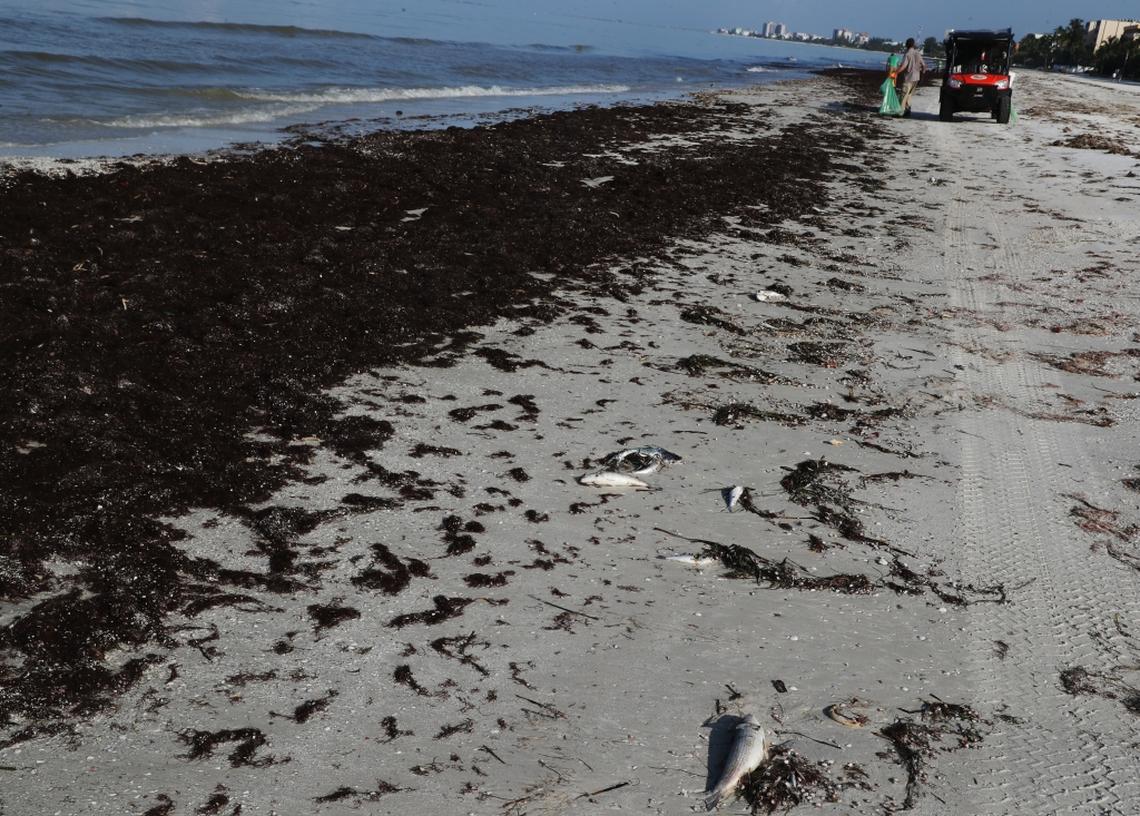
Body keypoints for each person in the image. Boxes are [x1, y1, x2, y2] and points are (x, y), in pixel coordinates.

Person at [897, 37, 927, 118]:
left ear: (907, 45)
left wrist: (895, 72)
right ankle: (907, 110)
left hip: (908, 77)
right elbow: (924, 65)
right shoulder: (917, 53)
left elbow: (903, 66)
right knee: (909, 95)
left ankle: (901, 112)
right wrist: (922, 76)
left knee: (904, 94)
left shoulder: (907, 54)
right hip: (916, 77)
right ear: (913, 45)